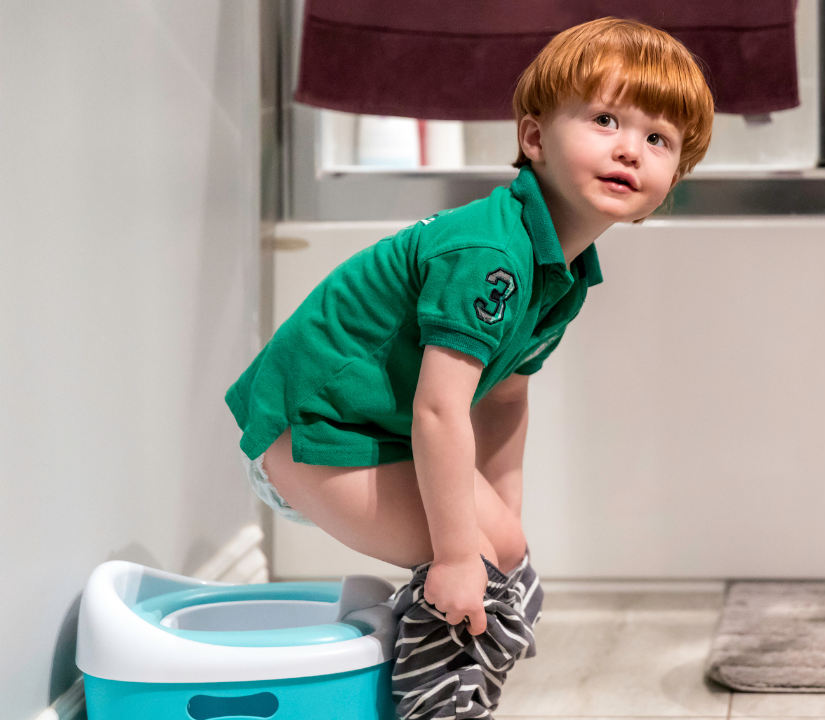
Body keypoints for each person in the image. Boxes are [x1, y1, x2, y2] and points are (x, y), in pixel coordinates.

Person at [224, 16, 715, 720]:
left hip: (378, 425)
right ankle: (433, 703)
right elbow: (439, 410)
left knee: (503, 553)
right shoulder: (493, 258)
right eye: (606, 119)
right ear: (535, 138)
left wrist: (499, 526)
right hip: (309, 428)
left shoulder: (562, 272)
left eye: (657, 139)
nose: (630, 149)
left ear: (672, 178)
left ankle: (438, 680)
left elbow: (507, 397)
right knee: (474, 569)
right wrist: (461, 555)